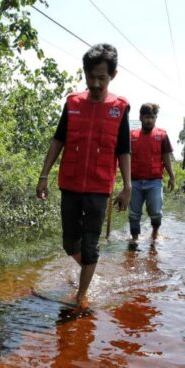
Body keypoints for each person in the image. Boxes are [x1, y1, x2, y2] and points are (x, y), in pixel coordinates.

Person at [36, 43, 132, 307]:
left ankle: (82, 294)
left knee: (90, 244)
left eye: (102, 78)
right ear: (85, 74)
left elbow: (124, 149)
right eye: (91, 77)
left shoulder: (120, 108)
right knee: (70, 243)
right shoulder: (73, 103)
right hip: (70, 184)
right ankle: (90, 269)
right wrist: (43, 176)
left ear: (112, 75)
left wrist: (127, 186)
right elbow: (58, 140)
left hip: (99, 188)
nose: (96, 83)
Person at [128, 103, 175, 245]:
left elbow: (166, 157)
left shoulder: (162, 135)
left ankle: (154, 234)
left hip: (154, 181)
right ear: (140, 117)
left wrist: (172, 176)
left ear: (156, 118)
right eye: (147, 117)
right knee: (134, 213)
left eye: (152, 117)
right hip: (134, 181)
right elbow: (125, 157)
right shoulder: (132, 136)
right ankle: (134, 239)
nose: (149, 120)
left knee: (156, 212)